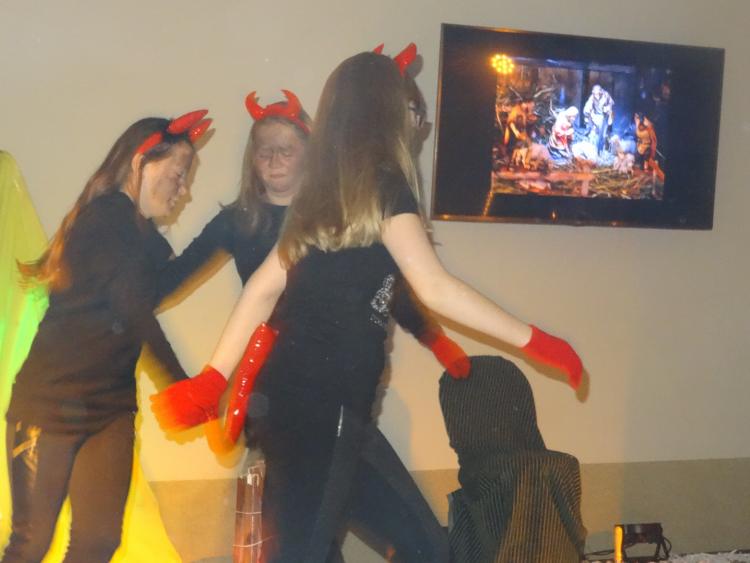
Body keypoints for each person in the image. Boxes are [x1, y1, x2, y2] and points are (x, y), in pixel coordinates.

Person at [154, 46, 583, 563]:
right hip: (320, 407)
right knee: (305, 554)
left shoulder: (329, 193)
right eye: (414, 112)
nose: (418, 124)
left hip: (329, 411)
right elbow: (435, 287)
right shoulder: (380, 187)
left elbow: (262, 289)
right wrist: (537, 342)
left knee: (426, 548)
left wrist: (213, 378)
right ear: (389, 112)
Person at [155, 89, 469, 445]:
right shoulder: (237, 220)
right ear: (252, 159)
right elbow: (172, 279)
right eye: (264, 152)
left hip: (333, 366)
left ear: (310, 154)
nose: (274, 160)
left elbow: (383, 285)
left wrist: (433, 338)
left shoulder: (338, 216)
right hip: (271, 374)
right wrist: (137, 224)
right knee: (283, 462)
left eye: (285, 150)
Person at [2, 111, 211, 563]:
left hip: (110, 410)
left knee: (98, 542)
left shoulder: (138, 235)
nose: (184, 190)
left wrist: (223, 232)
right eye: (178, 176)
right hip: (48, 405)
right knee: (31, 542)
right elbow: (134, 309)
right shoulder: (105, 219)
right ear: (141, 162)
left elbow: (152, 292)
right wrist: (182, 384)